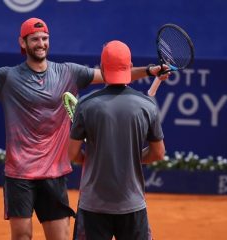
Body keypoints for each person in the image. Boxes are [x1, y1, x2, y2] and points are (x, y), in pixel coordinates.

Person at [0, 18, 167, 240]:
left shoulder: (68, 72)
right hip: (19, 174)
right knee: (21, 236)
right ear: (23, 42)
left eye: (44, 39)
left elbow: (112, 75)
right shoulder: (7, 77)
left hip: (54, 173)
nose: (40, 43)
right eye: (35, 39)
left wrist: (148, 71)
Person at [68, 40, 166, 240]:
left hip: (92, 207)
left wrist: (92, 160)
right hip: (133, 205)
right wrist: (129, 159)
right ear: (129, 68)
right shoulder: (147, 106)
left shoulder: (86, 105)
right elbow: (157, 153)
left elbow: (73, 154)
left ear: (102, 68)